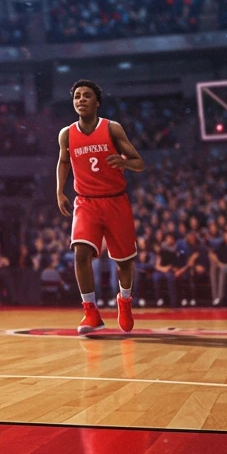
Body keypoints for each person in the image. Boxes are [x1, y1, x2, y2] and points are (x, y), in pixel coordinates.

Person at [56, 80, 144, 336]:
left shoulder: (112, 128)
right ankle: (91, 311)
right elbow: (63, 162)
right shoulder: (66, 134)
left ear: (97, 102)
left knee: (124, 262)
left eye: (87, 96)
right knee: (80, 253)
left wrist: (125, 163)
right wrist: (59, 190)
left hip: (115, 200)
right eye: (77, 96)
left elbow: (140, 163)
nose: (81, 99)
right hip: (85, 201)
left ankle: (124, 301)